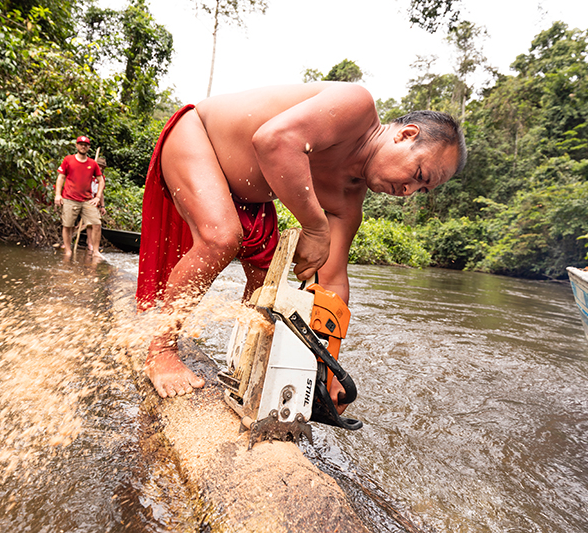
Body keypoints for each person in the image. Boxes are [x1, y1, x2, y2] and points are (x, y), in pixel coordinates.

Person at [136, 82, 467, 404]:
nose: (409, 191)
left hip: (249, 195)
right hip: (197, 136)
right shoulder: (356, 105)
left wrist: (330, 370)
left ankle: (245, 365)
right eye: (419, 174)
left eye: (422, 190)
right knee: (222, 237)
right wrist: (315, 226)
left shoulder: (348, 199)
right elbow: (274, 140)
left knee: (267, 279)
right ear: (405, 135)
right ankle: (161, 350)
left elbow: (333, 282)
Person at [54, 136, 105, 260]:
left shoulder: (93, 163)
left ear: (89, 147)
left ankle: (96, 251)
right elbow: (61, 177)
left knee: (96, 223)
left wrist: (98, 197)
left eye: (85, 144)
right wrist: (57, 194)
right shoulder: (68, 159)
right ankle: (67, 250)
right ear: (77, 146)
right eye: (81, 144)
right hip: (69, 198)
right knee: (67, 225)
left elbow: (101, 180)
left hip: (87, 200)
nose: (83, 146)